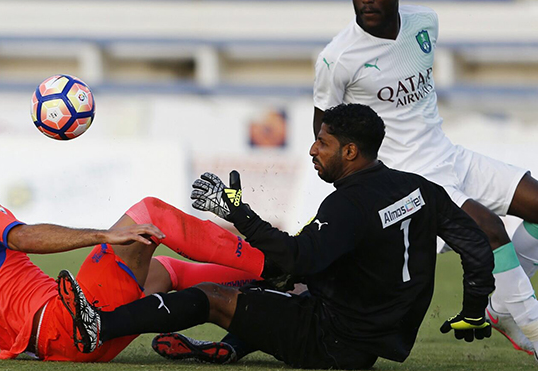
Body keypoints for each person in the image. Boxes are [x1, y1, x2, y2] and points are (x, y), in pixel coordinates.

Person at [60, 103, 495, 370]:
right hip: (378, 335)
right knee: (273, 288)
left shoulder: (348, 204)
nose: (312, 150)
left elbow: (296, 259)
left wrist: (237, 213)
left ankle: (100, 325)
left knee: (214, 295)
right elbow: (476, 248)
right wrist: (475, 310)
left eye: (322, 143)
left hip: (331, 340)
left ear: (350, 151)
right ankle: (233, 346)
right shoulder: (420, 188)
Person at [309, 0, 538, 355]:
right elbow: (322, 128)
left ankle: (501, 305)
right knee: (489, 231)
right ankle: (533, 327)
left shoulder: (425, 22)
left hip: (450, 156)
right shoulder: (338, 58)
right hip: (412, 177)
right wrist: (359, 182)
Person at [0, 145, 267, 361]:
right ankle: (271, 260)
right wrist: (103, 235)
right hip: (74, 321)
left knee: (161, 271)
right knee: (150, 214)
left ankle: (261, 281)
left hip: (65, 349)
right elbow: (23, 237)